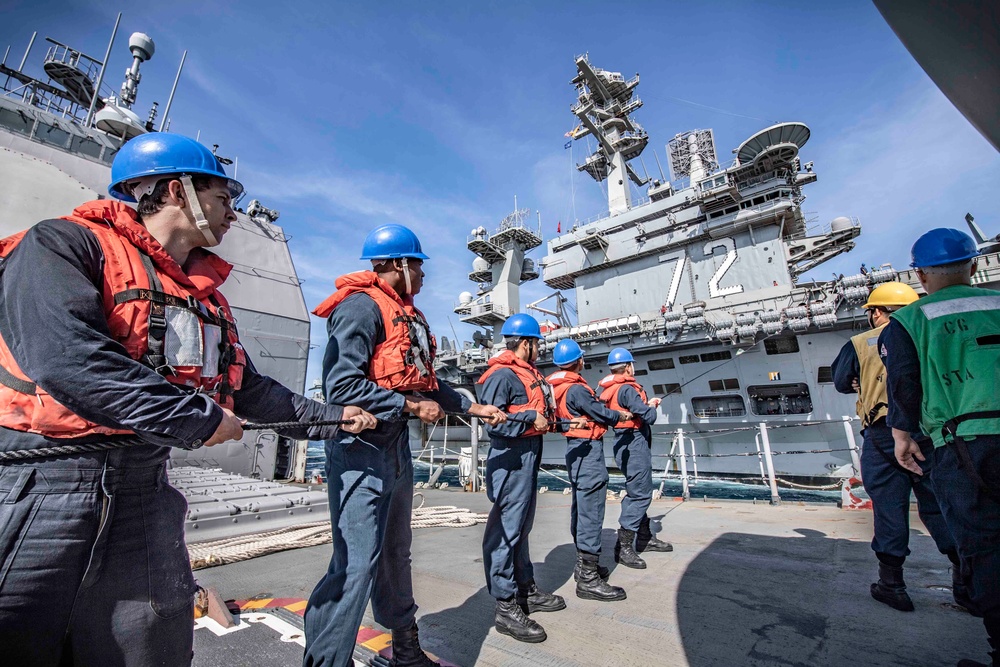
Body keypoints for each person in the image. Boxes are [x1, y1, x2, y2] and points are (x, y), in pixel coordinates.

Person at [0, 132, 377, 667]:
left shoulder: (207, 300)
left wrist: (337, 418)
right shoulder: (63, 245)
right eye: (225, 199)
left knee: (152, 642)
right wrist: (199, 419)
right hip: (43, 484)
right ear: (179, 191)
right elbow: (67, 360)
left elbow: (249, 391)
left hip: (144, 489)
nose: (234, 214)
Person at [304, 224, 504, 667]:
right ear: (398, 264)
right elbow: (341, 386)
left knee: (395, 553)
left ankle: (405, 650)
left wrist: (474, 409)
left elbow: (426, 384)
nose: (423, 273)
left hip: (394, 449)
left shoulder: (406, 314)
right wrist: (409, 405)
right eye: (418, 264)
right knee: (356, 565)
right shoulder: (359, 308)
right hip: (359, 451)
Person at [881, 228, 999, 667]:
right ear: (973, 264)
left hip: (962, 445)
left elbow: (905, 386)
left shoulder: (909, 321)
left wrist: (902, 436)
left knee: (985, 546)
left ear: (920, 274)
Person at [831, 281, 964, 612]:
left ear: (876, 311)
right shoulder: (930, 331)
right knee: (942, 505)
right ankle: (967, 583)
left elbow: (840, 381)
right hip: (934, 431)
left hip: (884, 433)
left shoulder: (861, 342)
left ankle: (893, 585)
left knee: (890, 508)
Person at [477, 313, 565, 644]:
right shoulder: (503, 374)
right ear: (526, 343)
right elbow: (493, 421)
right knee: (504, 533)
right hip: (511, 458)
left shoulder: (526, 373)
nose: (539, 350)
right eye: (537, 343)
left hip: (527, 453)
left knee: (521, 529)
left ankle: (525, 589)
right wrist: (531, 417)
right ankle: (505, 607)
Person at [546, 338, 628, 602]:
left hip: (574, 449)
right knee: (591, 509)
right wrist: (620, 416)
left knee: (581, 508)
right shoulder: (577, 390)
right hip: (588, 451)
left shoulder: (557, 387)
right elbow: (601, 413)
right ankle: (588, 579)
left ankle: (585, 567)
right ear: (579, 361)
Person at [598, 347, 672, 570]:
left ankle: (644, 536)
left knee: (637, 489)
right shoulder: (628, 390)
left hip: (623, 441)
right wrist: (651, 405)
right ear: (629, 366)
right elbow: (648, 417)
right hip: (634, 442)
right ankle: (624, 547)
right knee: (640, 493)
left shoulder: (611, 388)